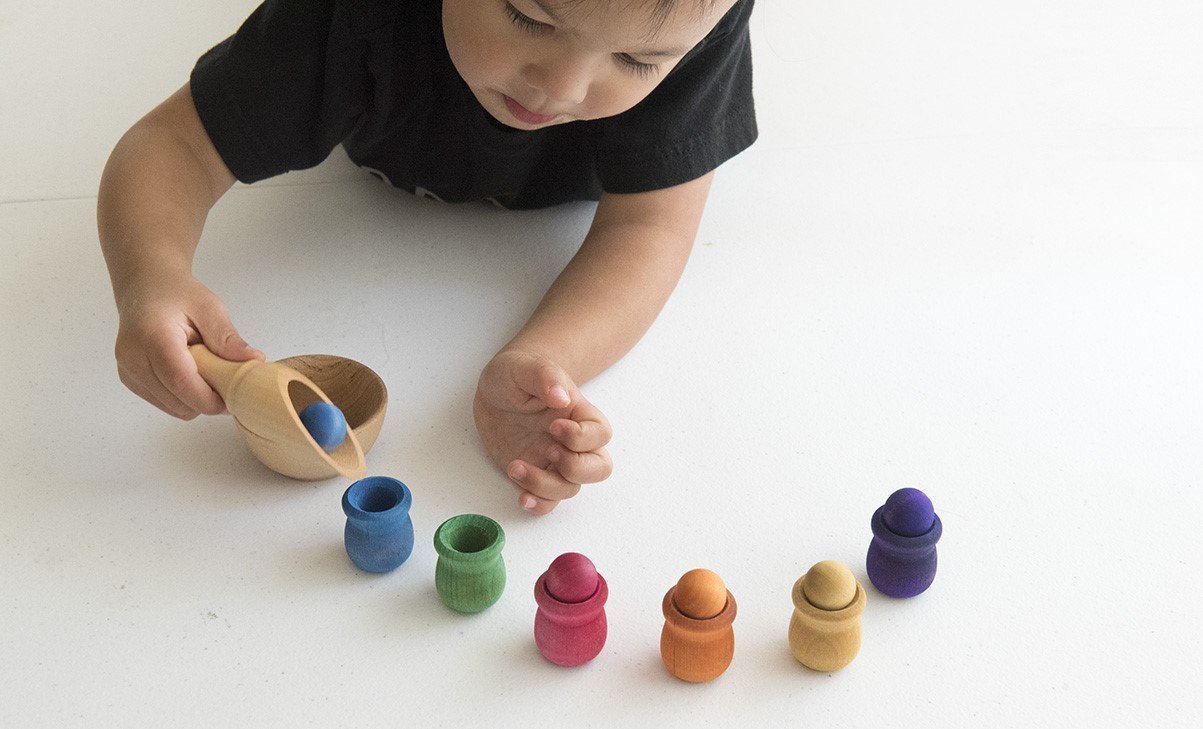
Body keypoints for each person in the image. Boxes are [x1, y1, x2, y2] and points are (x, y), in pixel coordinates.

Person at [97, 0, 757, 514]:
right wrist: (149, 274)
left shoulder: (689, 22)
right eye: (528, 16)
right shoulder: (349, 20)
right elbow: (173, 144)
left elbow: (648, 226)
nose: (562, 86)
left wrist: (548, 361)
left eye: (638, 63)